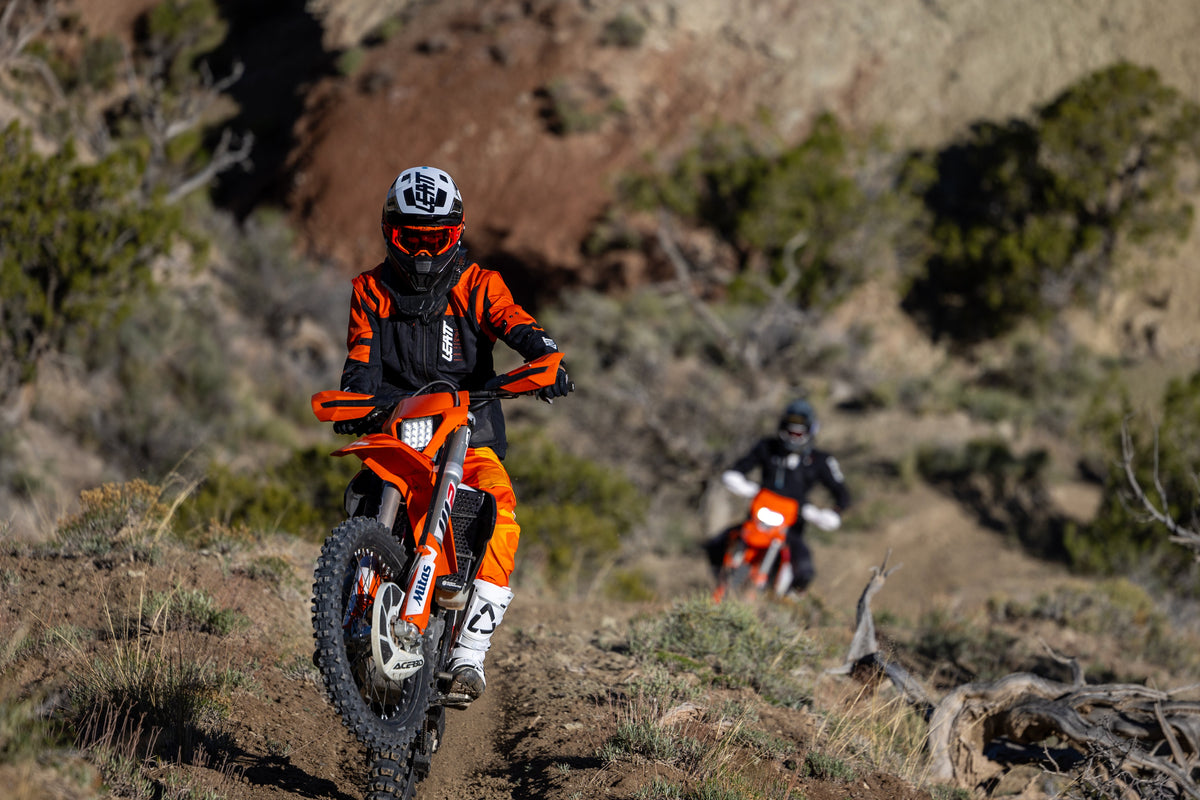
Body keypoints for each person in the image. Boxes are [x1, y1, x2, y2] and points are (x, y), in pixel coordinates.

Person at [334, 165, 573, 702]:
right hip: (399, 430)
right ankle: (348, 614)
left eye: (434, 238)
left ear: (455, 234)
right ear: (389, 233)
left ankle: (468, 654)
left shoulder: (478, 283)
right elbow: (358, 364)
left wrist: (545, 357)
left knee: (501, 510)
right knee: (365, 499)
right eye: (409, 238)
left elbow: (518, 323)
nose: (422, 252)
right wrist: (354, 404)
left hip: (470, 429)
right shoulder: (369, 290)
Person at [705, 399, 850, 595]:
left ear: (809, 431)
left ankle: (789, 600)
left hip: (790, 528)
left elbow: (842, 494)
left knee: (804, 570)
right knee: (716, 544)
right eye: (790, 431)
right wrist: (745, 486)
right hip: (757, 520)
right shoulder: (767, 447)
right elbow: (738, 468)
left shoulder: (820, 460)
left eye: (798, 432)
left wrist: (832, 514)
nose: (793, 437)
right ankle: (723, 582)